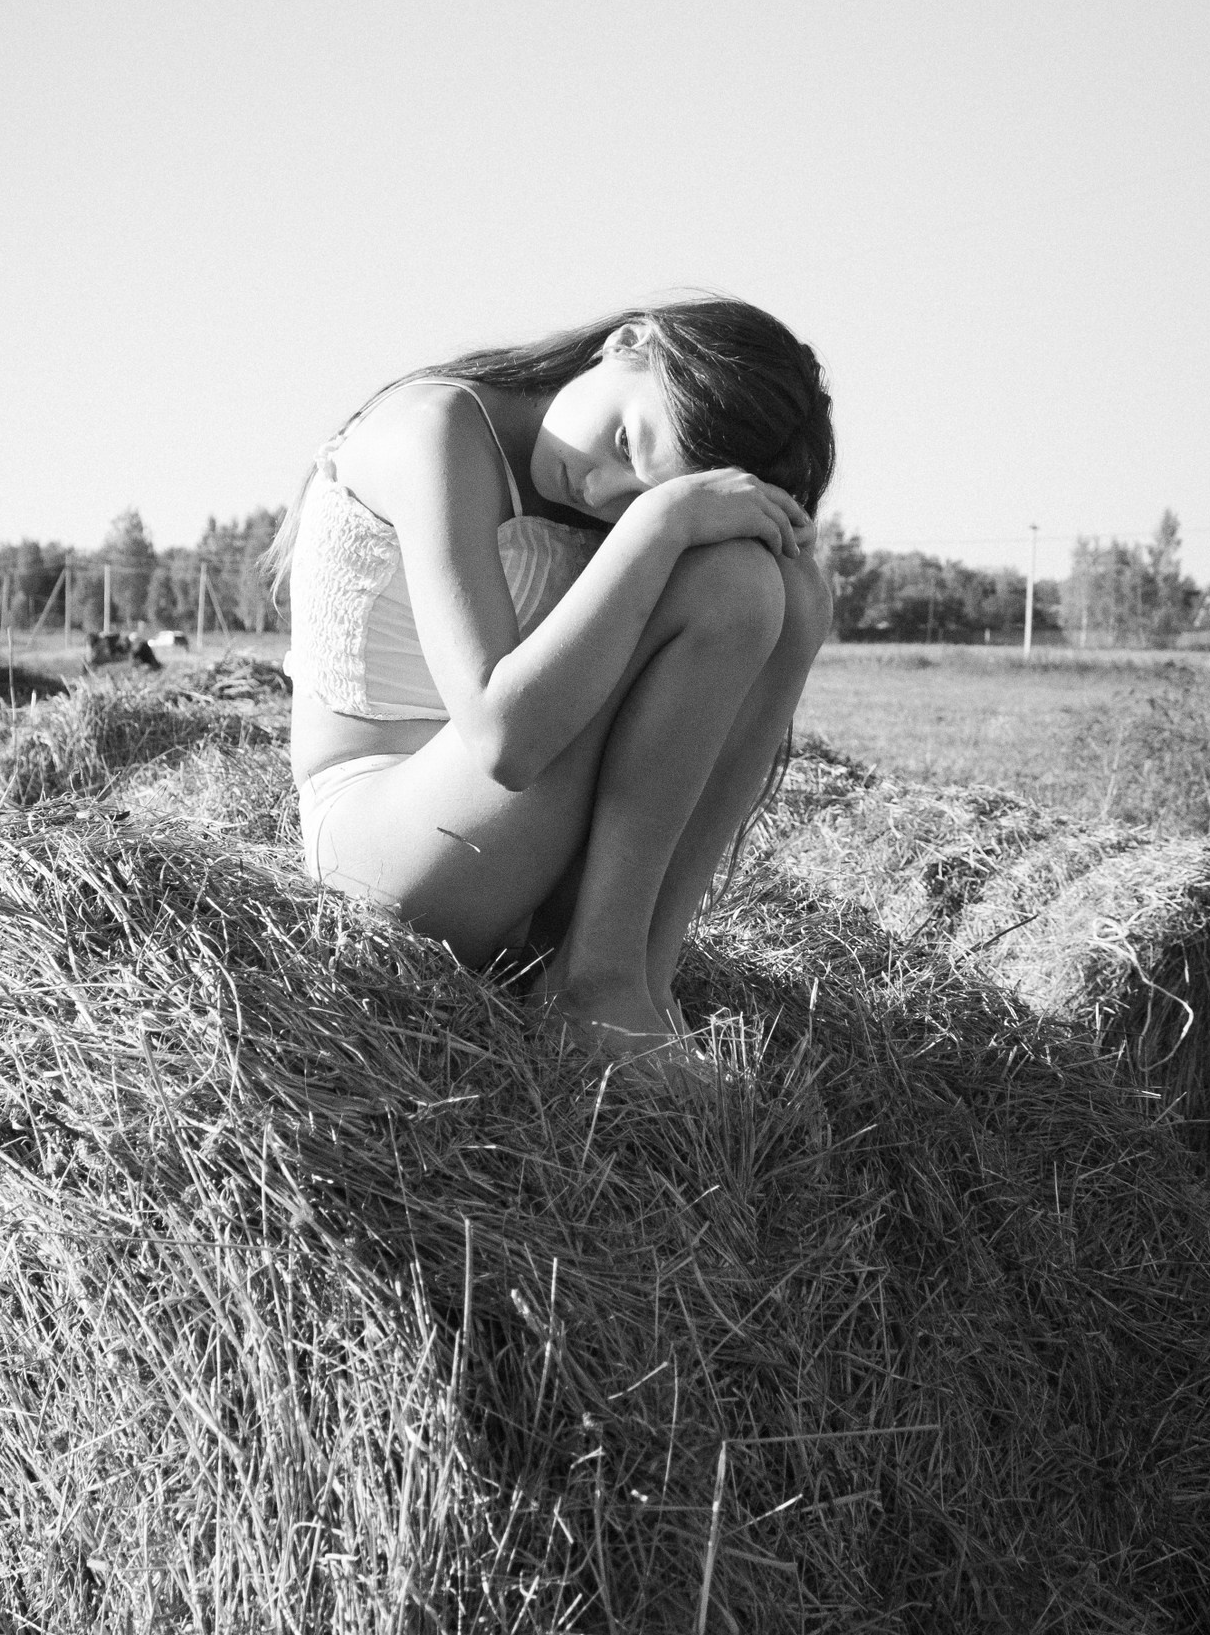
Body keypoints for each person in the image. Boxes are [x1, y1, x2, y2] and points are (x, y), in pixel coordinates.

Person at [268, 297, 836, 1065]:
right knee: (732, 583)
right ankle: (595, 990)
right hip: (387, 845)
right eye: (626, 443)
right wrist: (661, 521)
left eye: (640, 494)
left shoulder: (598, 489)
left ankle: (638, 978)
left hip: (520, 843)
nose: (601, 492)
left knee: (793, 589)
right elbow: (502, 741)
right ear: (627, 343)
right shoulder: (437, 428)